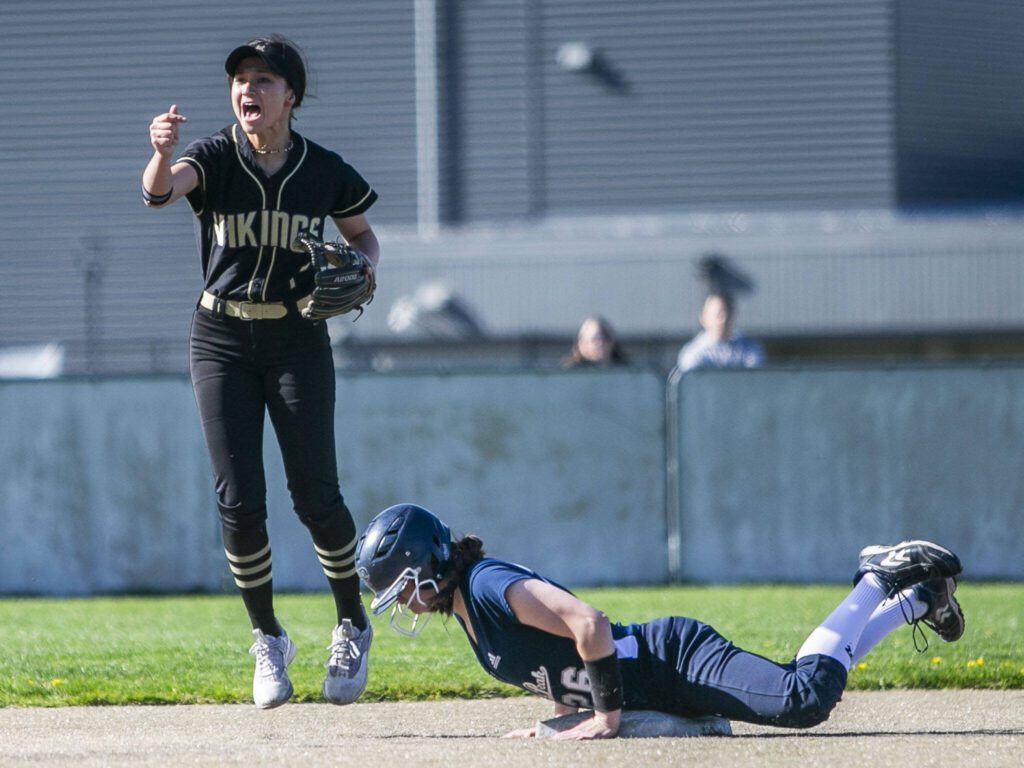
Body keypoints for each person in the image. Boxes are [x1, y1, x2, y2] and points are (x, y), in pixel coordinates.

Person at [142, 35, 378, 709]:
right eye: (241, 78)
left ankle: (350, 620)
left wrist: (366, 265)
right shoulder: (214, 157)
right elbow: (160, 193)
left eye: (264, 79)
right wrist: (160, 155)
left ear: (291, 97)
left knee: (316, 497)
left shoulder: (320, 168)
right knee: (239, 502)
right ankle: (268, 637)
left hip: (297, 335)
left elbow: (361, 233)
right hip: (218, 335)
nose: (249, 89)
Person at [355, 503, 965, 740]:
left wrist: (605, 718)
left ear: (429, 563)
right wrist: (555, 723)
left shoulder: (486, 586)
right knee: (801, 688)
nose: (405, 602)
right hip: (656, 673)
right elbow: (558, 664)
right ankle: (917, 602)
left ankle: (876, 579)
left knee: (804, 699)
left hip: (671, 656)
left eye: (403, 587)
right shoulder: (470, 614)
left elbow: (588, 624)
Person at [677, 291, 764, 373]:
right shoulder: (693, 353)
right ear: (703, 318)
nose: (723, 319)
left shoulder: (749, 349)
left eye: (726, 313)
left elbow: (755, 380)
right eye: (717, 315)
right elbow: (691, 383)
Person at [562, 316, 629, 369]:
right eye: (595, 339)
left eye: (605, 337)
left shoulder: (624, 370)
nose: (601, 343)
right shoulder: (571, 373)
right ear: (582, 343)